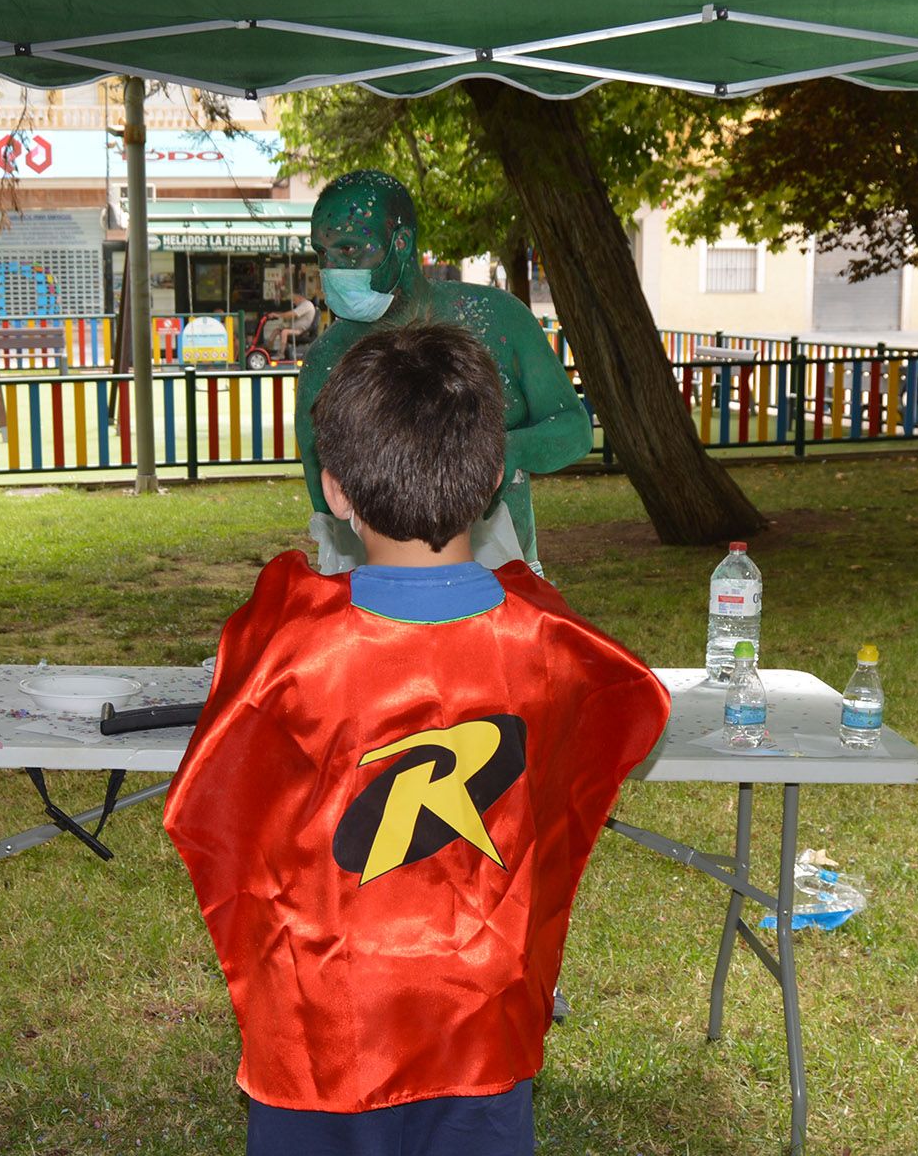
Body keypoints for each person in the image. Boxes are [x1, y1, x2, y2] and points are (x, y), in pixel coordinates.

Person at [165, 324, 670, 1155]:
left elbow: (208, 798)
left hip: (320, 1013)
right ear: (494, 479)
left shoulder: (288, 640)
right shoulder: (550, 637)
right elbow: (629, 706)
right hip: (481, 1009)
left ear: (335, 488)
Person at [295, 169, 591, 577]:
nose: (332, 269)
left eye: (349, 251)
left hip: (508, 585)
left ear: (401, 243)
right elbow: (326, 505)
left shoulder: (499, 320)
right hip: (377, 595)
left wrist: (502, 452)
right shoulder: (325, 362)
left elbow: (575, 432)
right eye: (322, 254)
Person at [276, 280, 318, 359]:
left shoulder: (306, 305)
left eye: (294, 299)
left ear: (300, 297)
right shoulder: (302, 305)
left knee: (284, 332)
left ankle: (281, 353)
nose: (293, 302)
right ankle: (269, 348)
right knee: (277, 330)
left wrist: (278, 315)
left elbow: (293, 314)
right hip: (296, 329)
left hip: (301, 331)